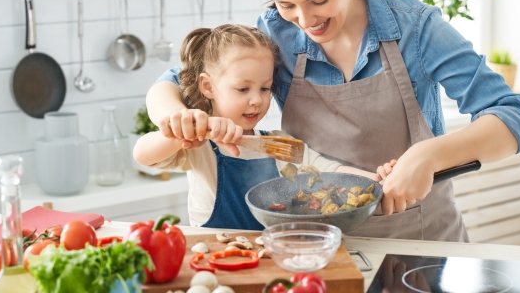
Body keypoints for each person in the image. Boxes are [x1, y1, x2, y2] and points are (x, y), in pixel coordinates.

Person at [146, 0, 520, 241]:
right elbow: (177, 81)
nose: (305, 20)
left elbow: (513, 119)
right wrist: (175, 119)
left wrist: (428, 155)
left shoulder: (415, 28)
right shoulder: (275, 32)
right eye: (287, 5)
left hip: (419, 238)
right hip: (317, 241)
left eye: (319, 0)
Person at [133, 24, 376, 230]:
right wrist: (185, 130)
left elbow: (325, 169)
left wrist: (376, 180)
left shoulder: (276, 144)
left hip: (268, 257)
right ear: (208, 86)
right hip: (212, 258)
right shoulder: (200, 146)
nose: (257, 100)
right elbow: (143, 155)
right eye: (243, 89)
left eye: (264, 88)